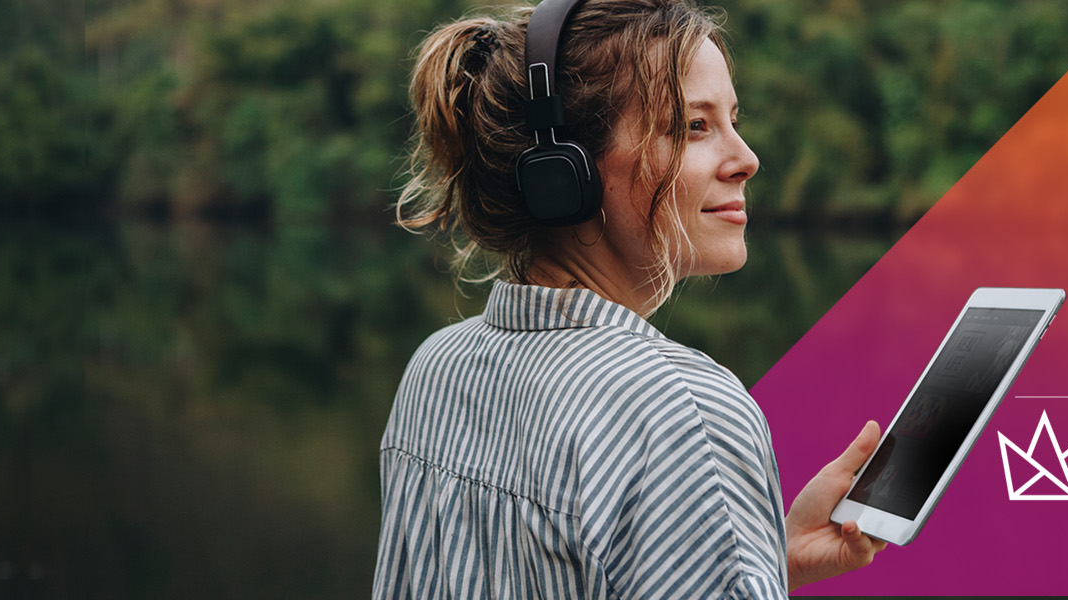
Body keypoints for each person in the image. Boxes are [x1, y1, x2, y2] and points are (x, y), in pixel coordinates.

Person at [377, 0, 885, 596]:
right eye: (694, 126)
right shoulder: (684, 411)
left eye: (733, 121)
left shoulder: (437, 369)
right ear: (565, 172)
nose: (747, 159)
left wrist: (764, 559)